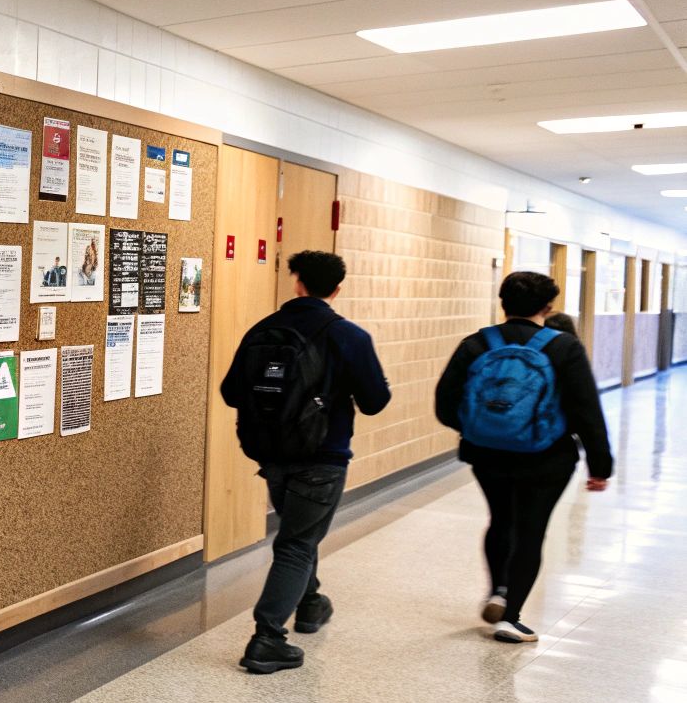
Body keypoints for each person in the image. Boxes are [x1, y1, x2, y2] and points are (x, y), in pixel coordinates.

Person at [220, 251, 391, 673]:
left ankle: (311, 603)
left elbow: (230, 392)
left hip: (271, 454)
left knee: (299, 530)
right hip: (323, 455)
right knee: (297, 541)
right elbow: (375, 402)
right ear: (336, 289)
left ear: (296, 282)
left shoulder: (262, 330)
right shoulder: (348, 336)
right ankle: (267, 638)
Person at [435, 272, 612, 643]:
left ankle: (498, 589)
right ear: (547, 308)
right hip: (546, 456)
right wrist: (600, 466)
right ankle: (510, 618)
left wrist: (480, 428)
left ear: (503, 302)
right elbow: (586, 410)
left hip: (486, 454)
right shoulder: (564, 347)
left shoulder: (476, 344)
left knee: (500, 519)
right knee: (531, 530)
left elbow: (445, 403)